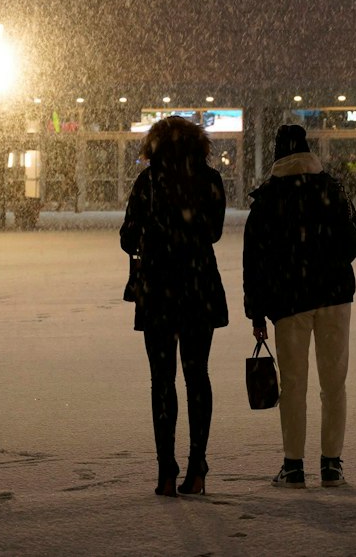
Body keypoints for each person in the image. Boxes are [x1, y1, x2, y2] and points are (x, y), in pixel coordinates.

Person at [244, 124, 356, 488]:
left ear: (278, 154)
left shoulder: (267, 198)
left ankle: (293, 466)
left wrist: (256, 311)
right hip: (334, 296)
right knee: (334, 384)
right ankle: (331, 465)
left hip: (289, 301)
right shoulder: (331, 188)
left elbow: (254, 261)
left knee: (293, 386)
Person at [120, 116, 227, 498]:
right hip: (198, 286)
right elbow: (214, 231)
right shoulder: (209, 179)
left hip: (159, 288)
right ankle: (197, 467)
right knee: (197, 376)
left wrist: (155, 232)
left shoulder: (147, 181)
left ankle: (166, 470)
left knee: (161, 381)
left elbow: (127, 237)